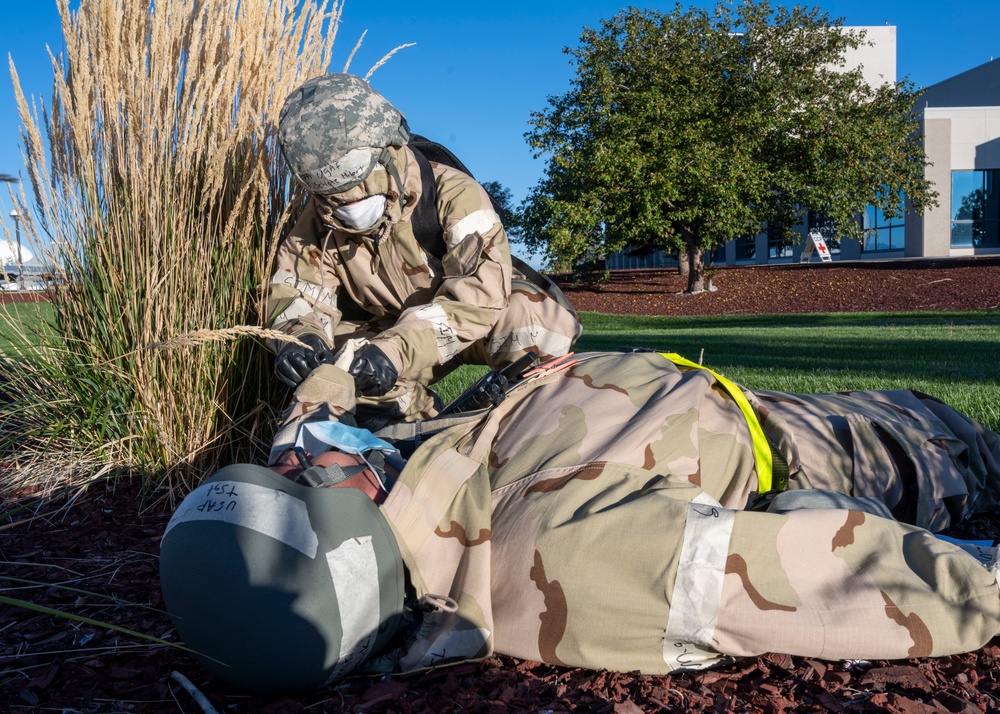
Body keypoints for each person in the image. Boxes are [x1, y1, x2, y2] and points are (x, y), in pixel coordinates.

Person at [160, 350, 1000, 693]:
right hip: (860, 443)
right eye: (301, 471)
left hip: (750, 407)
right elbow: (841, 579)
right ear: (352, 536)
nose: (297, 448)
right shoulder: (560, 563)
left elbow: (329, 413)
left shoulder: (407, 481)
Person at [266, 73, 581, 427]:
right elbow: (295, 291)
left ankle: (527, 428)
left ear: (390, 149)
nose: (347, 203)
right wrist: (299, 339)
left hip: (471, 325)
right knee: (342, 366)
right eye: (328, 191)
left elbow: (479, 298)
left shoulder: (455, 195)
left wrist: (395, 351)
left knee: (536, 322)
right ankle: (417, 432)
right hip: (387, 332)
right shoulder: (320, 219)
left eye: (356, 179)